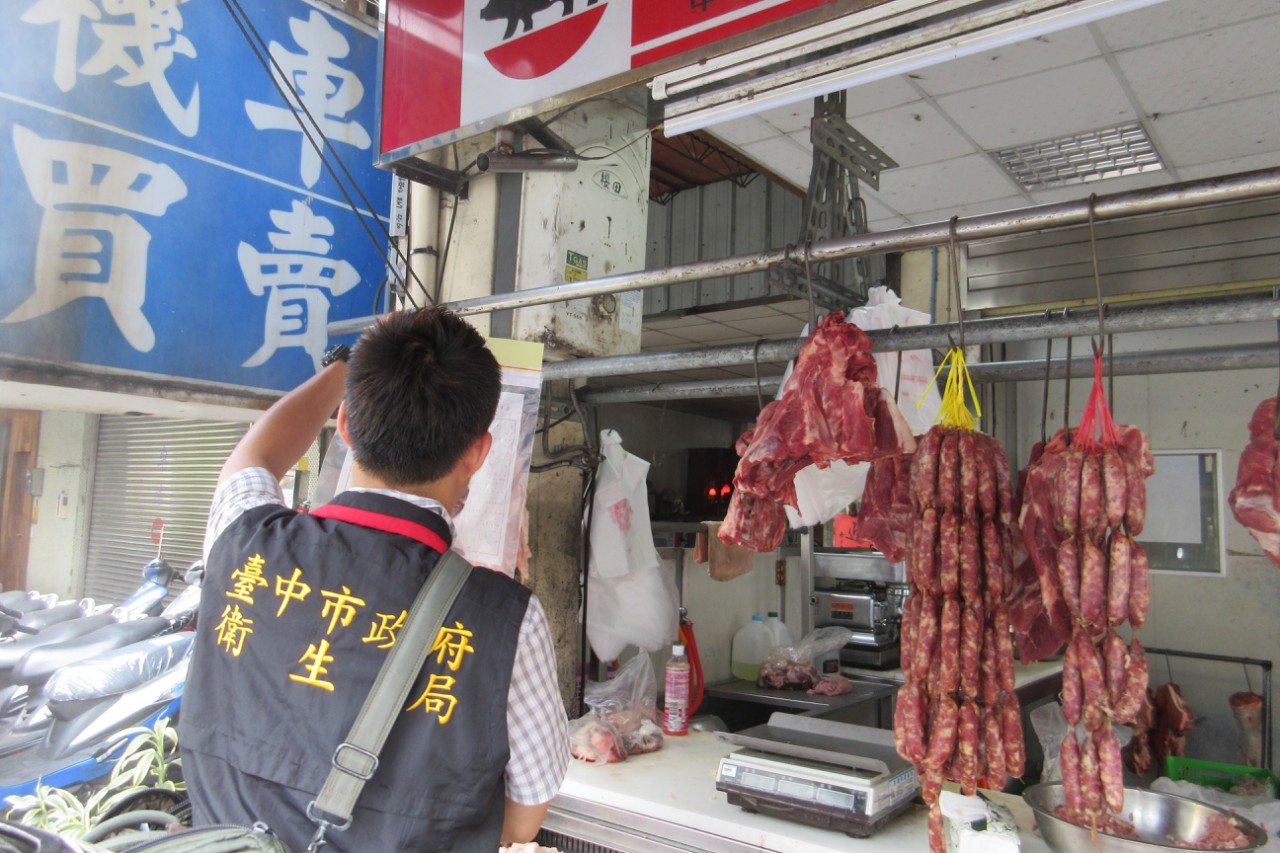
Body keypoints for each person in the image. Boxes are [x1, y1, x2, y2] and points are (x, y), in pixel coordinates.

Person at [180, 307, 570, 853]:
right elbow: (524, 818)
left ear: (344, 424)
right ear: (478, 452)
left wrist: (343, 370)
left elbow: (255, 455)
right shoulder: (508, 619)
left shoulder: (242, 538)